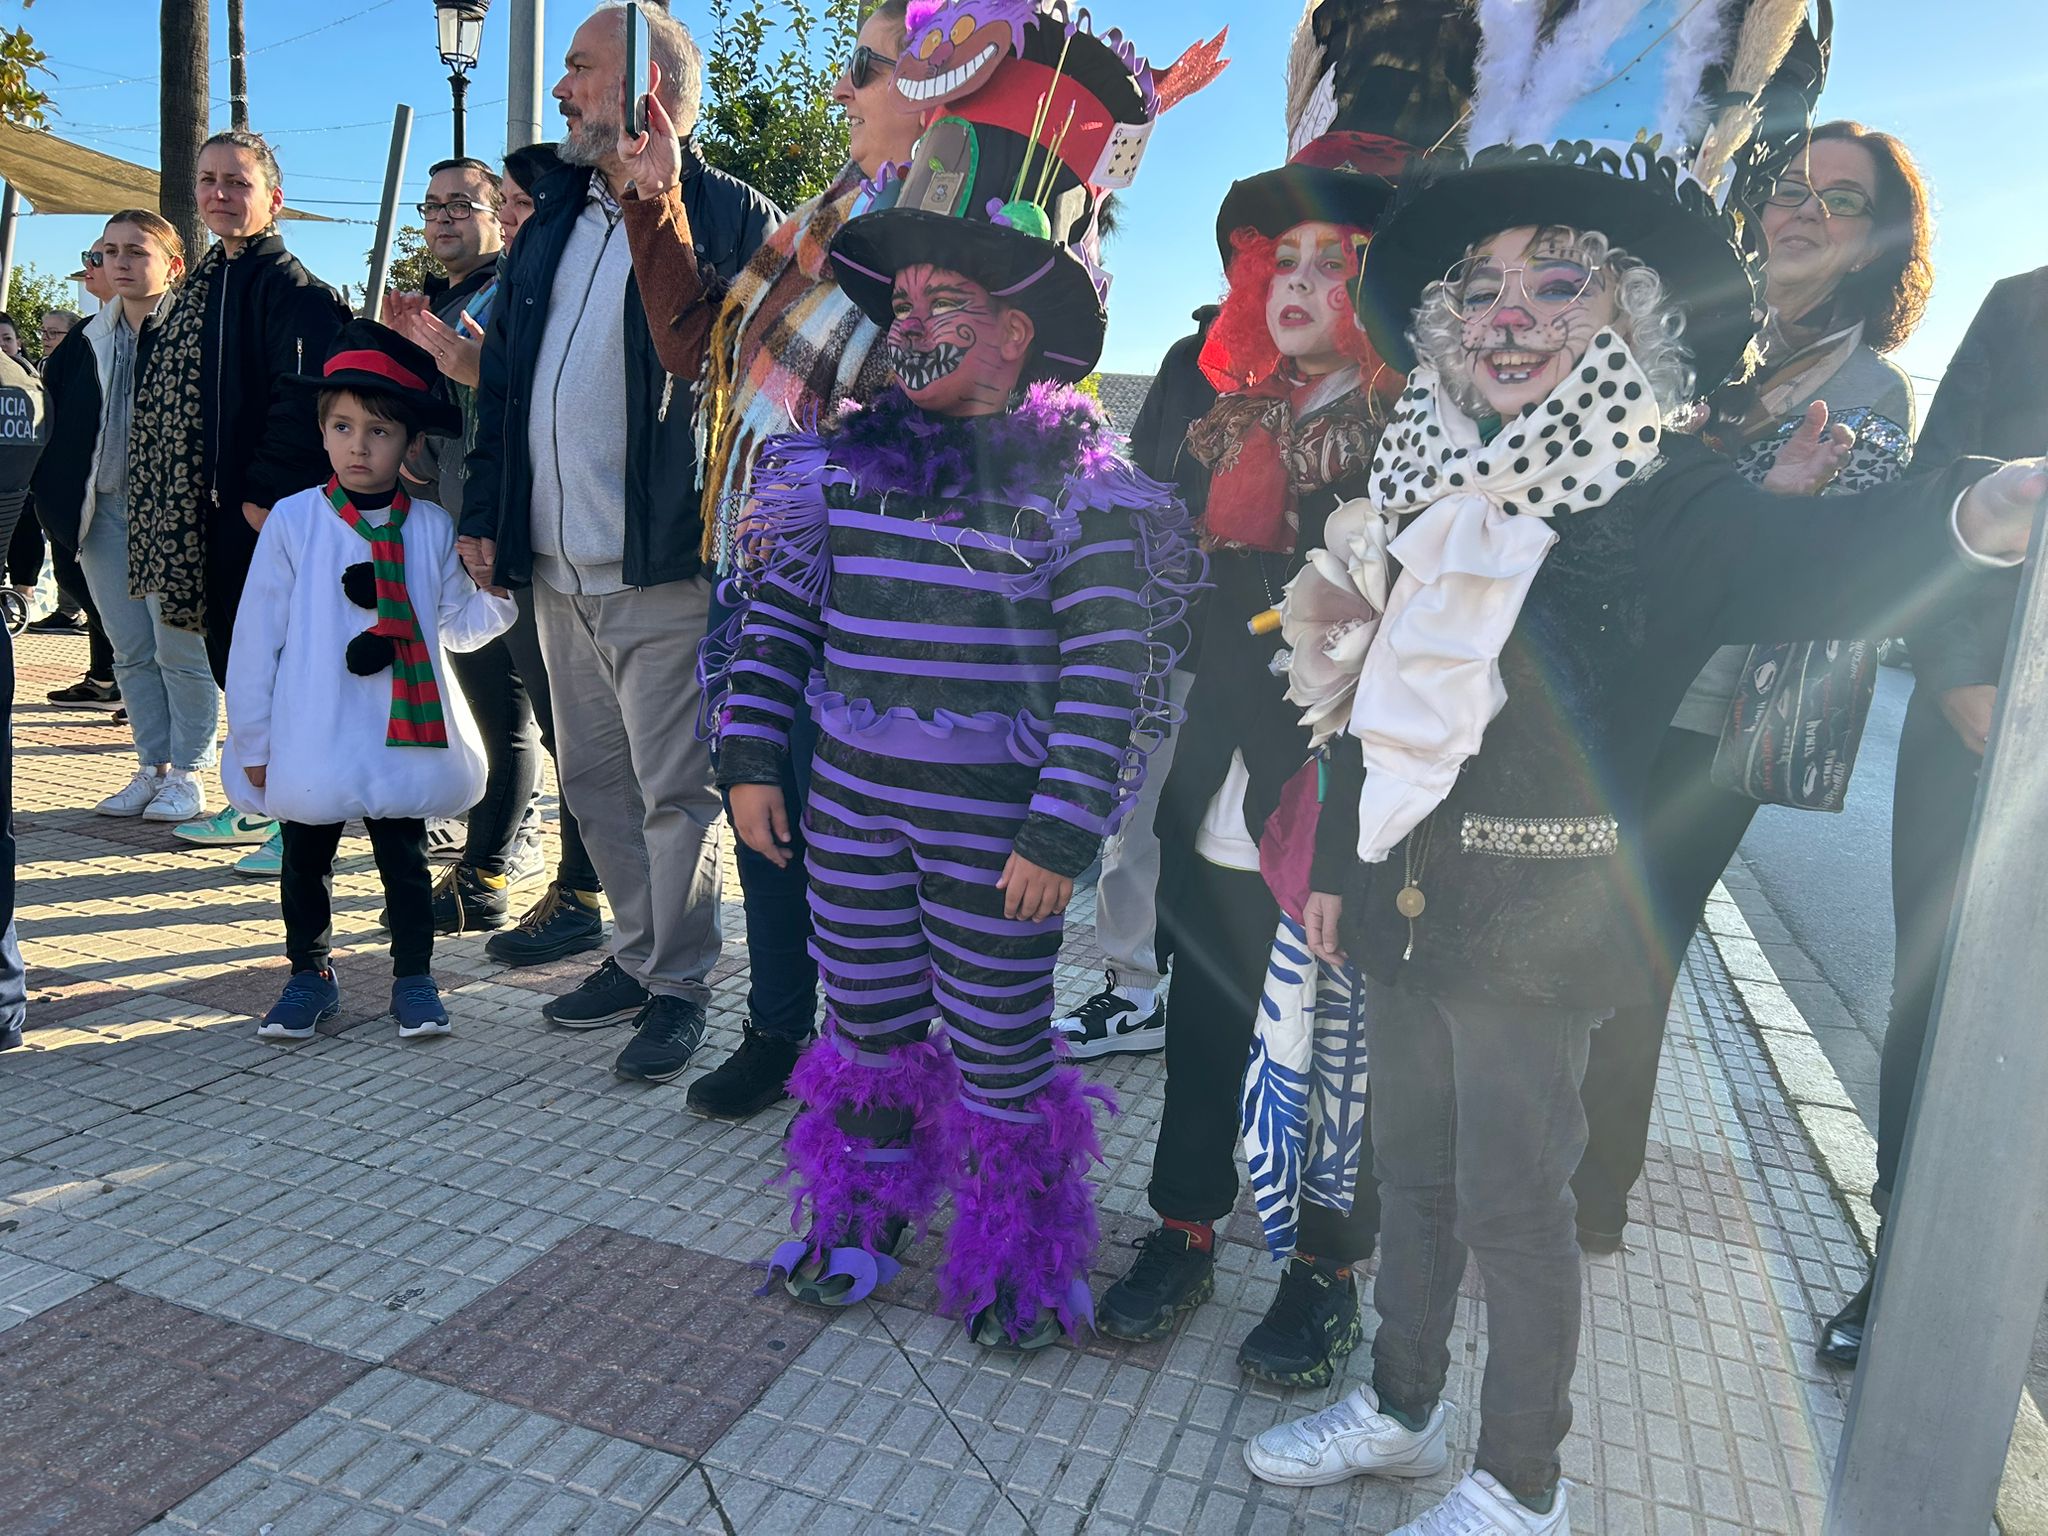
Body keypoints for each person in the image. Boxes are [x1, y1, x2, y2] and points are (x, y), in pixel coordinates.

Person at [1237, 9, 2044, 1529]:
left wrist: (1978, 508)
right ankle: (1401, 1408)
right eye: (1481, 288)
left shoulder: (1664, 492)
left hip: (1542, 927)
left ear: (1632, 314)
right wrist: (1338, 867)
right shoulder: (1416, 478)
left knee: (1515, 1204)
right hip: (1405, 898)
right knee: (1409, 1170)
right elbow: (1357, 707)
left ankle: (1519, 1482)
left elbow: (1826, 557)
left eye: (1561, 282)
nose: (1512, 313)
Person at [708, 0, 1208, 1350]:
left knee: (998, 1042)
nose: (912, 320)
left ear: (1019, 335)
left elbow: (1108, 680)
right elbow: (776, 623)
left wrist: (1060, 832)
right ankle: (864, 1211)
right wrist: (749, 758)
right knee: (866, 1021)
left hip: (996, 839)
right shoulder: (832, 469)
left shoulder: (1086, 497)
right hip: (851, 813)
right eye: (904, 301)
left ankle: (1015, 1257)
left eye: (949, 302)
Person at [1572, 120, 1935, 1252]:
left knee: (1640, 941)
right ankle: (1537, 1147)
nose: (1802, 210)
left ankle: (1592, 1193)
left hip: (1714, 718)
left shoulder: (1870, 390)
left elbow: (1805, 573)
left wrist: (1753, 505)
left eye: (1839, 199)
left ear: (1877, 241)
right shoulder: (1706, 345)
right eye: (1788, 188)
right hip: (1621, 677)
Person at [1096, 130, 1416, 1390]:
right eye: (1282, 259)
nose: (1299, 283)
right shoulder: (1223, 411)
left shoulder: (1418, 432)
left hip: (1346, 787)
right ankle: (1184, 1223)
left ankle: (1325, 1268)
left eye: (1335, 263)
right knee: (1207, 1011)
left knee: (1338, 1037)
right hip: (1222, 772)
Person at [460, 4, 779, 1083]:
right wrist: (486, 513)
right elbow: (507, 379)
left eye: (580, 69)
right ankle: (638, 957)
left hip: (659, 560)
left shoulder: (729, 211)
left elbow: (737, 371)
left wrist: (663, 200)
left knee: (673, 792)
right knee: (594, 783)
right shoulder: (551, 216)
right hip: (556, 562)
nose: (561, 91)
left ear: (649, 87)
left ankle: (681, 984)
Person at [617, 0, 922, 1120]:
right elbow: (698, 346)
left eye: (866, 66)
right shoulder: (828, 214)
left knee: (855, 831)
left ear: (938, 85)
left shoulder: (964, 228)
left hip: (864, 589)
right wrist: (656, 200)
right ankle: (780, 1027)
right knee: (761, 802)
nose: (840, 88)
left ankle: (874, 1049)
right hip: (756, 564)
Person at [1814, 264, 2045, 1367]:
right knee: (1941, 990)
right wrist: (1952, 666)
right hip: (1983, 713)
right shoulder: (2026, 305)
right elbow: (1940, 477)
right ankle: (1901, 1258)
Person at [223, 321, 515, 1043]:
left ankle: (414, 977)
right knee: (306, 857)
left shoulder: (432, 527)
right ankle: (308, 974)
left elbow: (455, 626)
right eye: (343, 427)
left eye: (379, 431)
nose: (359, 446)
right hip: (314, 720)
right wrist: (253, 740)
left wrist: (495, 589)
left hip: (399, 724)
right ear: (322, 433)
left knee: (404, 859)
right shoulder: (294, 521)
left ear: (410, 444)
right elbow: (257, 639)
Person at [129, 128, 352, 880]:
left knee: (283, 671)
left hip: (263, 516)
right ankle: (262, 799)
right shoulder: (208, 283)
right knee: (239, 668)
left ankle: (303, 819)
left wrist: (262, 498)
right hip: (210, 514)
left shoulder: (294, 290)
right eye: (208, 180)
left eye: (237, 181)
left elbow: (306, 402)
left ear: (273, 198)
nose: (219, 193)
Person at [387, 157, 548, 934]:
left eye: (464, 204)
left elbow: (518, 404)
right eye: (432, 206)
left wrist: (464, 372)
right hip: (452, 532)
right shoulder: (442, 302)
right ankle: (486, 863)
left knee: (529, 715)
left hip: (508, 535)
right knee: (490, 708)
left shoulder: (508, 291)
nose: (444, 218)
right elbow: (431, 425)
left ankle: (511, 871)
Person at [35, 211, 222, 827]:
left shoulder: (197, 333)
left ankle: (189, 773)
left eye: (136, 251)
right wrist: (59, 509)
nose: (119, 262)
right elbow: (56, 429)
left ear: (173, 264)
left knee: (180, 648)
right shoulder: (86, 339)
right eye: (108, 251)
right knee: (131, 650)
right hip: (104, 513)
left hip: (172, 515)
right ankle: (152, 767)